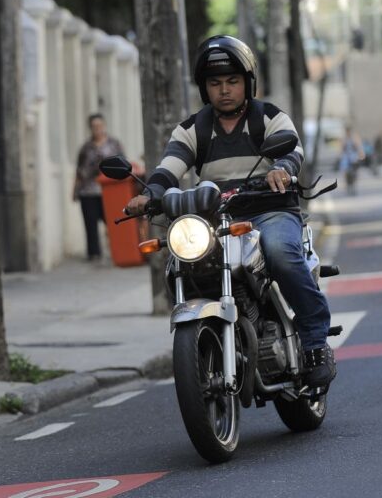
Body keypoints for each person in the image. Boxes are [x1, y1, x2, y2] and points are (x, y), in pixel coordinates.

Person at [124, 35, 335, 388]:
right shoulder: (193, 129)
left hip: (271, 211)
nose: (224, 90)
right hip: (217, 219)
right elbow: (168, 168)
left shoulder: (268, 117)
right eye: (215, 83)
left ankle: (315, 341)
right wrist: (150, 194)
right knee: (185, 264)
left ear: (247, 83)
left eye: (232, 81)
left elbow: (292, 152)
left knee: (281, 254)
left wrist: (281, 168)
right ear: (205, 88)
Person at [74, 113, 125, 261]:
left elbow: (123, 165)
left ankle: (119, 250)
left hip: (110, 190)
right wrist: (74, 190)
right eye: (94, 126)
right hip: (88, 190)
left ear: (104, 126)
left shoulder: (114, 144)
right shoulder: (85, 147)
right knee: (90, 223)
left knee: (113, 222)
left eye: (100, 126)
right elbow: (79, 170)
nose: (97, 129)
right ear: (90, 128)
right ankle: (94, 253)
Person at [338, 124, 365, 195]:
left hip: (353, 156)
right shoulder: (343, 138)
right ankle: (347, 184)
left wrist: (361, 154)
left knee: (355, 171)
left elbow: (359, 146)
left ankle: (354, 184)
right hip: (346, 157)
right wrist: (340, 155)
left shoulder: (355, 138)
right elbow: (341, 148)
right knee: (345, 170)